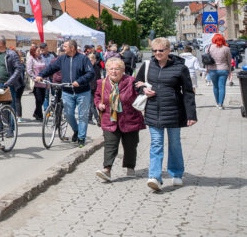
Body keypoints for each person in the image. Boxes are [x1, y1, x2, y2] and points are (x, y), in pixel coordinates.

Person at [135, 37, 197, 191]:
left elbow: (188, 92)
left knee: (174, 144)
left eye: (161, 50)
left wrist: (191, 115)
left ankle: (176, 173)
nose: (157, 53)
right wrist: (143, 89)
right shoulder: (147, 65)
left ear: (169, 50)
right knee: (156, 143)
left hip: (174, 111)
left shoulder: (180, 68)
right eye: (154, 50)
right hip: (153, 110)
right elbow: (136, 83)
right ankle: (154, 177)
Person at [94, 58, 145, 182]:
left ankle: (130, 167)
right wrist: (99, 104)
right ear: (107, 70)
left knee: (130, 145)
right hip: (109, 119)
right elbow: (97, 96)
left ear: (123, 70)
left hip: (130, 118)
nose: (113, 71)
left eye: (117, 69)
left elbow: (140, 93)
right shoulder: (101, 83)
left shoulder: (131, 81)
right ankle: (107, 170)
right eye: (111, 69)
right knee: (110, 145)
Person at [37, 40, 95, 148]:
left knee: (82, 115)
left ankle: (81, 138)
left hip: (82, 92)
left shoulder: (83, 59)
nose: (63, 48)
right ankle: (76, 130)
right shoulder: (62, 59)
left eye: (65, 46)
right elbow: (51, 68)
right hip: (67, 91)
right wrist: (41, 75)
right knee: (68, 114)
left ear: (72, 48)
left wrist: (80, 81)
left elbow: (91, 73)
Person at [0, 38, 23, 119]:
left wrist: (10, 82)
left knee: (10, 107)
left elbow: (18, 69)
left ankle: (11, 126)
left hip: (9, 85)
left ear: (1, 43)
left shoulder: (12, 54)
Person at [205, 34, 231, 109]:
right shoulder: (226, 48)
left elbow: (206, 59)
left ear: (213, 39)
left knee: (215, 86)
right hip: (223, 69)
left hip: (212, 70)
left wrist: (207, 69)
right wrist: (229, 70)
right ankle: (220, 104)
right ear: (223, 40)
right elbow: (229, 61)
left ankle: (217, 103)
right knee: (222, 87)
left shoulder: (209, 48)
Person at [27, 45, 47, 121]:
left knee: (42, 99)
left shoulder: (41, 59)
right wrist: (35, 78)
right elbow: (29, 71)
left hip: (43, 82)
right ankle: (40, 116)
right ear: (34, 52)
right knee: (38, 100)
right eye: (38, 51)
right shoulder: (31, 59)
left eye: (39, 51)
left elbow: (46, 69)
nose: (39, 52)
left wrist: (47, 80)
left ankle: (36, 113)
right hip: (36, 83)